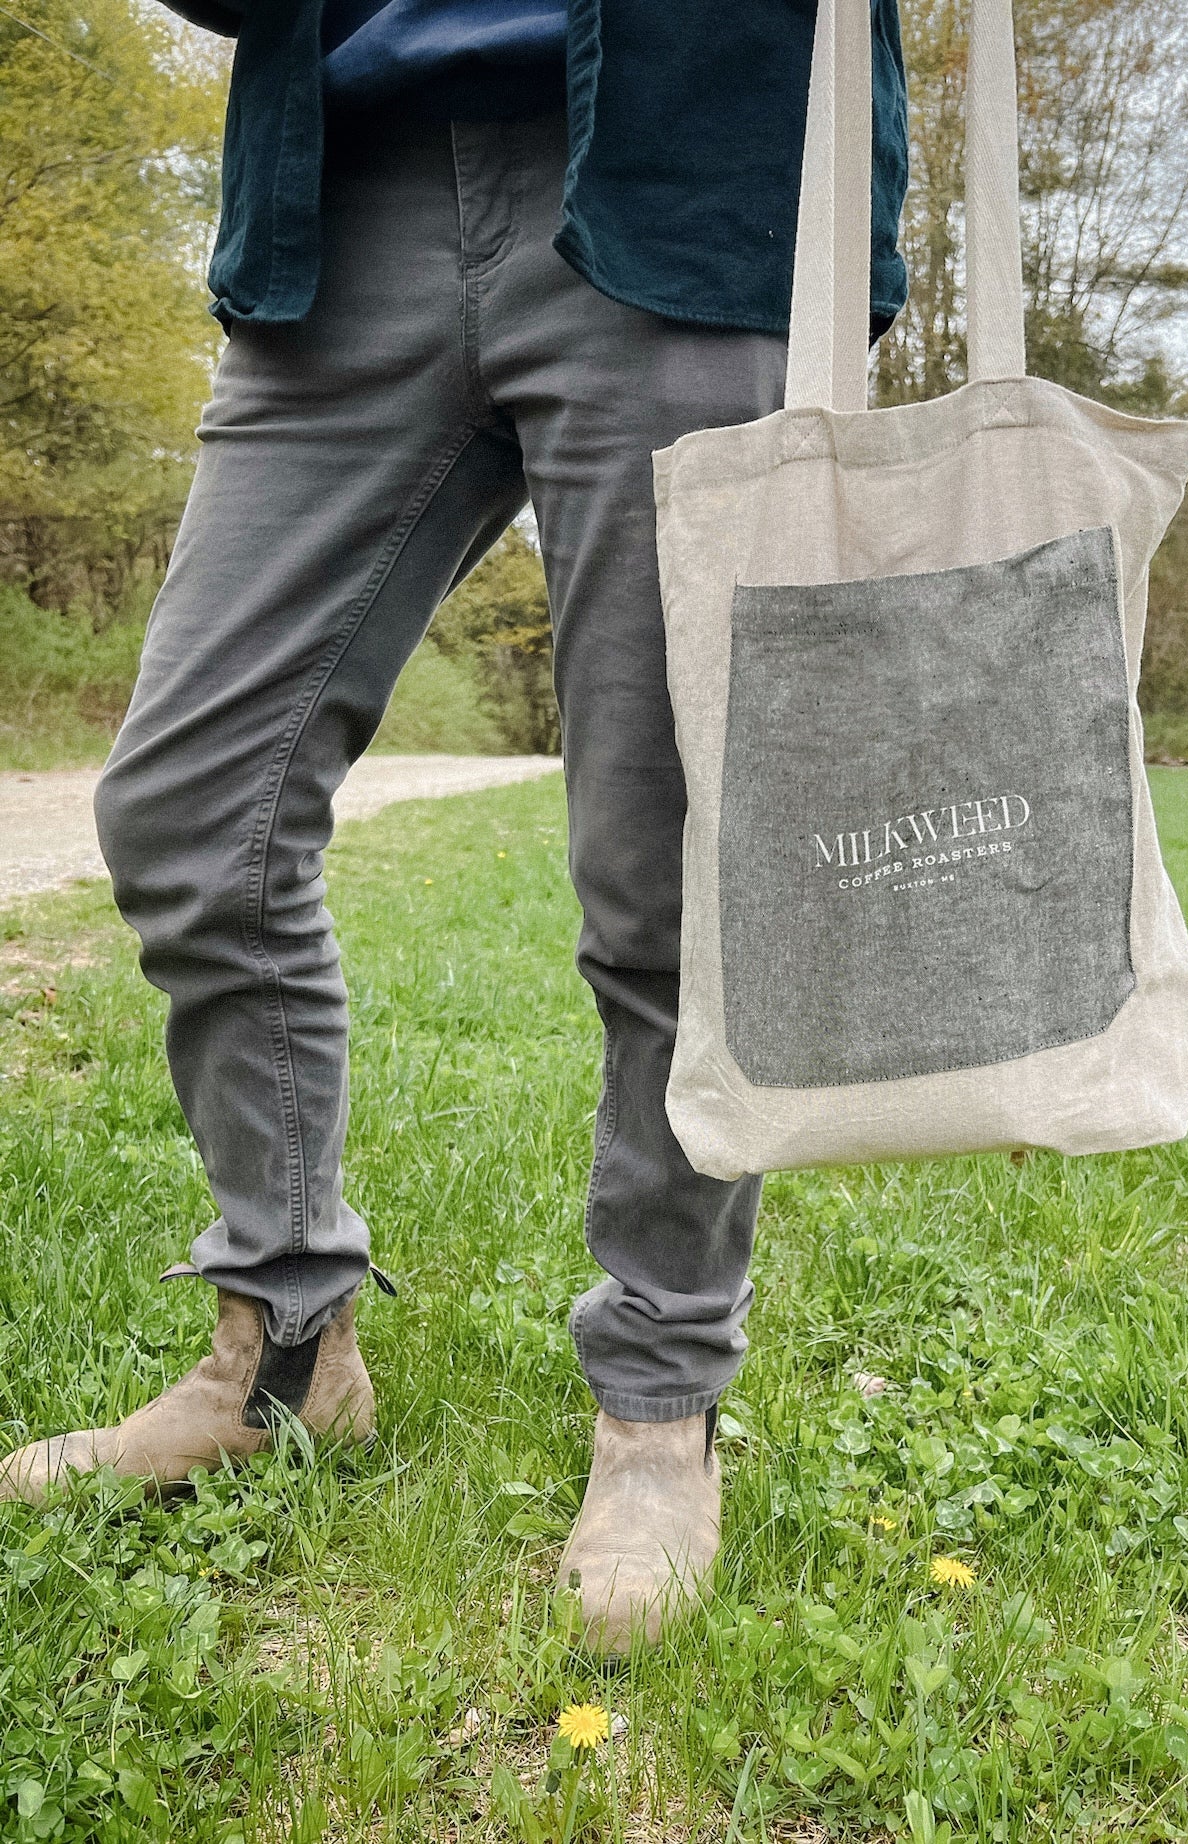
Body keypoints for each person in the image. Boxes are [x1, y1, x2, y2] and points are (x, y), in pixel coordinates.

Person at [0, 0, 908, 1651]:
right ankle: (284, 1348)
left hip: (691, 166)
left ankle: (657, 1399)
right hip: (338, 191)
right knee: (192, 807)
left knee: (669, 863)